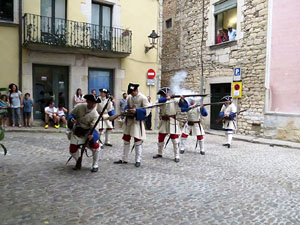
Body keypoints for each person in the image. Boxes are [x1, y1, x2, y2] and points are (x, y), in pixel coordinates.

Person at [114, 83, 150, 167]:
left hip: (137, 122)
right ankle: (124, 159)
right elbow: (127, 106)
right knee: (126, 140)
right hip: (129, 121)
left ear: (136, 90)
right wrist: (127, 109)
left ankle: (138, 160)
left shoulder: (143, 98)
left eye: (132, 92)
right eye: (130, 92)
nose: (131, 94)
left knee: (137, 141)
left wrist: (136, 111)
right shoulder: (129, 97)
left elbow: (147, 110)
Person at [67, 94, 101, 172]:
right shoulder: (79, 107)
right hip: (78, 130)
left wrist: (93, 136)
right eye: (91, 102)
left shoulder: (95, 114)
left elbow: (95, 127)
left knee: (95, 146)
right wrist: (71, 119)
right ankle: (78, 160)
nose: (93, 105)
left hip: (88, 132)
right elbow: (71, 115)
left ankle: (95, 164)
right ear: (87, 101)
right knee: (72, 149)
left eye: (94, 103)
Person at [153, 87, 182, 163]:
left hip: (172, 121)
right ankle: (160, 153)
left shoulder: (175, 100)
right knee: (160, 138)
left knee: (175, 139)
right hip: (164, 121)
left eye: (162, 95)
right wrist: (166, 99)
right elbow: (156, 102)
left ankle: (177, 155)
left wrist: (182, 99)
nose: (161, 96)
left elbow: (182, 104)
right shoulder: (162, 100)